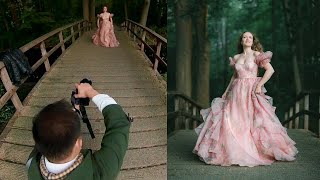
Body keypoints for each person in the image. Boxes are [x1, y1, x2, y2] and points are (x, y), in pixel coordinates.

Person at [193, 31, 298, 167]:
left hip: (250, 91)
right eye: (244, 37)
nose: (247, 39)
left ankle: (253, 149)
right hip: (236, 91)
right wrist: (226, 92)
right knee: (232, 119)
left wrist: (259, 85)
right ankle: (231, 151)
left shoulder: (256, 54)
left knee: (251, 119)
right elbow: (235, 76)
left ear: (253, 40)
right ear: (241, 41)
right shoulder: (237, 57)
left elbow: (270, 70)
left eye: (250, 37)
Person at [26, 83, 130, 179]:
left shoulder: (31, 164)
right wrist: (91, 92)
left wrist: (74, 112)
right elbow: (119, 124)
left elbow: (46, 134)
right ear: (78, 143)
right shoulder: (101, 171)